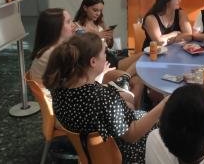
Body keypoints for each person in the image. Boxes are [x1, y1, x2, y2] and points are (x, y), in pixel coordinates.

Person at [43, 33, 168, 164]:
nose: (106, 56)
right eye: (104, 53)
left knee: (138, 111)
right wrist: (164, 103)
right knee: (162, 126)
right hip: (120, 154)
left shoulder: (59, 87)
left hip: (87, 152)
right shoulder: (101, 98)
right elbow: (132, 135)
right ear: (93, 61)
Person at [30, 8, 144, 107]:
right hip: (70, 102)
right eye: (69, 22)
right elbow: (79, 86)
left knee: (134, 81)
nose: (73, 25)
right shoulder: (55, 54)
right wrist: (101, 72)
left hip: (76, 92)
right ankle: (131, 120)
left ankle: (131, 115)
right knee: (129, 97)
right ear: (56, 27)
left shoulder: (56, 49)